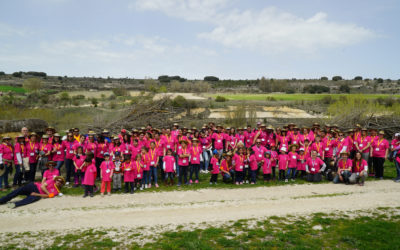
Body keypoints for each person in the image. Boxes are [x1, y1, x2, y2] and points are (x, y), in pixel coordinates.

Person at [0, 176, 65, 208]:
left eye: (61, 182)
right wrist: (49, 193)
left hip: (38, 193)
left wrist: (37, 194)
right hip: (34, 186)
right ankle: (2, 200)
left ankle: (13, 205)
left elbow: (48, 196)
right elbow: (43, 186)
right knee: (17, 191)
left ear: (61, 184)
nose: (59, 182)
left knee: (29, 200)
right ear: (56, 180)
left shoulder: (57, 191)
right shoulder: (51, 181)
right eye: (58, 180)